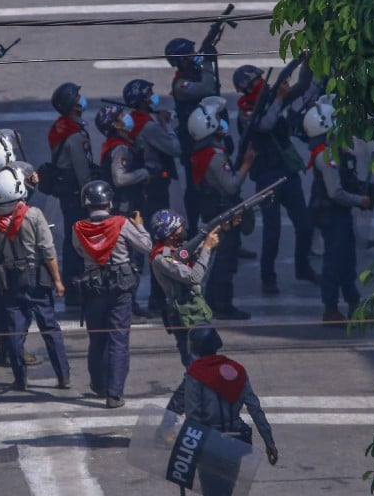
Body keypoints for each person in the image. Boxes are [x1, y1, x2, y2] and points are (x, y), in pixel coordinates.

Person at [233, 64, 318, 295]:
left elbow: (301, 89)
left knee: (304, 223)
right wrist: (279, 100)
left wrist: (306, 63)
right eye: (257, 82)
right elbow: (264, 125)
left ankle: (303, 267)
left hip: (287, 171)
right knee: (273, 231)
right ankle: (267, 277)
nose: (264, 84)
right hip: (266, 175)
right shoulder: (246, 109)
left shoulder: (272, 97)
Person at [0, 167, 70, 391]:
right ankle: (63, 377)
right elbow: (48, 251)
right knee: (50, 329)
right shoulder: (33, 215)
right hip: (37, 279)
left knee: (15, 332)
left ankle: (20, 379)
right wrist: (58, 281)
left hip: (12, 279)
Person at [72, 180, 152, 408]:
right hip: (120, 288)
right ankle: (114, 394)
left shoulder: (78, 227)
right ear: (109, 202)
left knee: (96, 338)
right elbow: (146, 246)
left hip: (92, 287)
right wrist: (139, 226)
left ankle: (98, 384)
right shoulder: (121, 223)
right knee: (118, 339)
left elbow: (78, 250)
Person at [182, 325, 278, 495]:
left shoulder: (195, 374)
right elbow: (254, 407)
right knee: (228, 489)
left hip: (208, 442)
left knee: (211, 491)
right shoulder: (236, 369)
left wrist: (186, 449)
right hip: (236, 440)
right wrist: (268, 441)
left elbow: (193, 416)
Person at [303, 97, 373, 324]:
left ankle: (353, 301)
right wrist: (359, 200)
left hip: (336, 214)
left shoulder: (332, 151)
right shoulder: (327, 156)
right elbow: (336, 193)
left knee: (346, 259)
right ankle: (331, 308)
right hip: (332, 215)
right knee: (334, 262)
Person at [149, 210, 221, 429]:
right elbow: (194, 276)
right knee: (195, 372)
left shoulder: (172, 251)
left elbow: (186, 254)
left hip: (195, 314)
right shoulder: (162, 257)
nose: (183, 229)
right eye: (179, 227)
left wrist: (218, 230)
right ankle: (169, 423)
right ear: (171, 234)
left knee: (204, 369)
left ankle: (201, 420)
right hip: (184, 319)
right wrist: (207, 248)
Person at [0, 129, 41, 369]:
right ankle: (16, 348)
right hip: (17, 246)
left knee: (2, 296)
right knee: (20, 300)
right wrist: (31, 185)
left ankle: (5, 347)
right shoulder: (7, 180)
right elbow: (22, 200)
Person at [188, 97, 254, 320]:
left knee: (219, 261)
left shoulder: (204, 153)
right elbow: (231, 185)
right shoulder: (214, 157)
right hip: (223, 213)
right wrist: (246, 164)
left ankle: (214, 300)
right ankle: (222, 304)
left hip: (214, 211)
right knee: (226, 261)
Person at [122, 79, 182, 313]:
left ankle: (140, 297)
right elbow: (174, 148)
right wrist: (166, 125)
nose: (153, 97)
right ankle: (155, 297)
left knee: (143, 244)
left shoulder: (134, 122)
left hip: (141, 191)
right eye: (150, 95)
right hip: (155, 190)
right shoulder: (150, 126)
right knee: (158, 242)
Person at [94, 104, 153, 319]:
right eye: (121, 117)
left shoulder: (120, 144)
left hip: (124, 208)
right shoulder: (120, 148)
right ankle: (126, 302)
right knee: (132, 258)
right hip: (125, 210)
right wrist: (142, 173)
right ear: (115, 125)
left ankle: (128, 301)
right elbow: (119, 178)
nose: (127, 118)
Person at [45, 82, 97, 307]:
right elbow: (83, 174)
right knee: (76, 241)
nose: (82, 99)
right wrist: (92, 201)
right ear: (72, 105)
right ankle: (75, 289)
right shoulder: (75, 136)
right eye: (78, 97)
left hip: (69, 192)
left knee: (72, 238)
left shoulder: (63, 126)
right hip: (76, 194)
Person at [165, 38, 218, 233]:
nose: (194, 55)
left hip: (208, 135)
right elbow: (208, 89)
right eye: (190, 53)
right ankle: (195, 229)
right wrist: (208, 63)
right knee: (196, 186)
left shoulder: (193, 75)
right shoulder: (181, 85)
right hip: (193, 142)